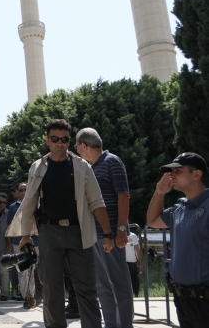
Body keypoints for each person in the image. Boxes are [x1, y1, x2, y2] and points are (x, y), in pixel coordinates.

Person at [7, 118, 114, 328]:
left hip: (78, 231)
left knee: (87, 288)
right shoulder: (38, 167)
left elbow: (97, 202)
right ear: (47, 140)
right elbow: (30, 202)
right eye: (55, 139)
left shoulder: (82, 166)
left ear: (69, 141)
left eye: (64, 139)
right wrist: (26, 235)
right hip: (49, 231)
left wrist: (108, 234)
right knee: (52, 288)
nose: (60, 143)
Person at [76, 128, 134, 328]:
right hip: (96, 236)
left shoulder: (112, 161)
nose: (76, 151)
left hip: (112, 234)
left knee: (119, 283)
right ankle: (111, 324)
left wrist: (121, 229)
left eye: (76, 146)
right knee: (103, 285)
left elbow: (123, 195)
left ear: (84, 145)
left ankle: (125, 325)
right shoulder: (90, 168)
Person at [146, 152, 209, 328]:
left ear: (196, 175)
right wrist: (159, 193)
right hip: (183, 298)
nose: (171, 175)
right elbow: (152, 220)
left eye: (178, 171)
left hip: (204, 299)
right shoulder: (179, 209)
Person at [5, 182, 41, 308]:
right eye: (21, 190)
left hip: (34, 241)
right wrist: (8, 245)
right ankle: (26, 296)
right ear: (18, 192)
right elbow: (9, 227)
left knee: (32, 270)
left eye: (26, 189)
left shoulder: (36, 203)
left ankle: (31, 295)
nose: (23, 192)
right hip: (17, 242)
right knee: (22, 270)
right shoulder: (13, 207)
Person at [124, 231, 142, 297]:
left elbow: (137, 250)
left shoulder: (133, 235)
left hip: (132, 262)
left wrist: (140, 263)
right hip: (122, 262)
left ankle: (134, 295)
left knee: (135, 280)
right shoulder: (117, 235)